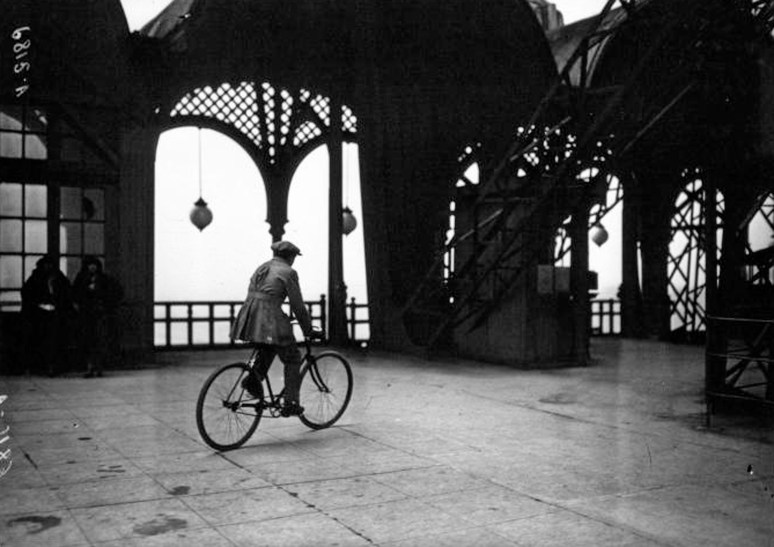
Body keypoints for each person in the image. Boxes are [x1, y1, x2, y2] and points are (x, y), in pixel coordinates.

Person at [231, 240, 322, 416]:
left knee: (270, 346)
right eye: (294, 257)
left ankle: (253, 379)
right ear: (291, 257)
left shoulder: (262, 267)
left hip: (250, 317)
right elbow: (298, 306)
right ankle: (291, 402)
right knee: (293, 358)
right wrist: (308, 330)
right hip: (270, 318)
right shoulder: (289, 272)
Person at [21, 255, 73, 376]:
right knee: (40, 340)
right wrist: (40, 304)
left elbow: (66, 294)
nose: (48, 267)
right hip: (38, 316)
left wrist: (58, 305)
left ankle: (53, 366)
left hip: (56, 314)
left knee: (55, 341)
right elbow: (28, 295)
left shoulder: (59, 278)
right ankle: (40, 366)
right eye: (46, 265)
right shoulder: (35, 278)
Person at [72, 256, 123, 377]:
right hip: (86, 314)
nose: (92, 267)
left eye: (94, 265)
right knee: (88, 341)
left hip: (100, 315)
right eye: (90, 265)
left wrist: (106, 304)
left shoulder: (104, 279)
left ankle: (98, 367)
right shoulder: (81, 279)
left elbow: (115, 292)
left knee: (100, 341)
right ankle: (89, 367)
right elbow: (75, 294)